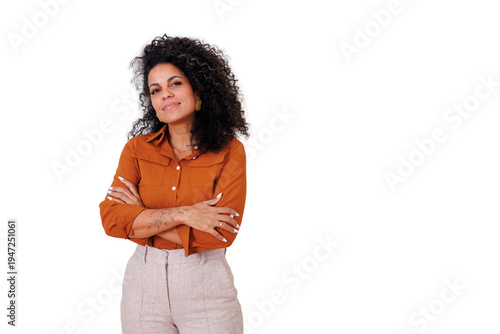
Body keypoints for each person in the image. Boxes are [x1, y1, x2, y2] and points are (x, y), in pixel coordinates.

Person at [99, 34, 249, 333]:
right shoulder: (137, 150)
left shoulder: (230, 151)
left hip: (207, 288)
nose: (165, 94)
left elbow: (219, 235)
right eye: (156, 89)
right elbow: (112, 219)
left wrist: (141, 216)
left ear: (199, 89)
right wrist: (185, 214)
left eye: (175, 83)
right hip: (142, 287)